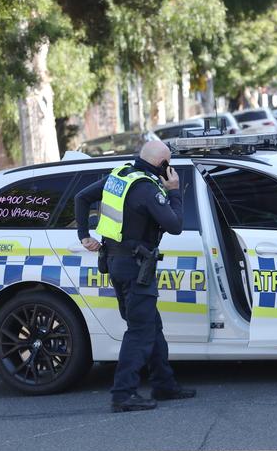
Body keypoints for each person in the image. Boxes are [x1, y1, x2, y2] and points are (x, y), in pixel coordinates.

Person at [74, 140, 196, 412]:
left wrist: (84, 235)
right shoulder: (145, 189)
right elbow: (175, 225)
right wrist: (174, 192)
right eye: (169, 163)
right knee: (140, 331)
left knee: (151, 325)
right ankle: (123, 394)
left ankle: (164, 384)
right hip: (135, 267)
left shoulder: (119, 177)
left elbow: (81, 197)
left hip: (116, 263)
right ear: (162, 165)